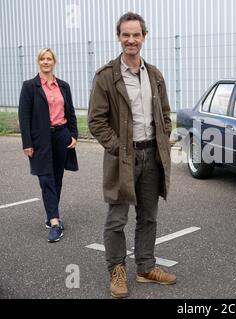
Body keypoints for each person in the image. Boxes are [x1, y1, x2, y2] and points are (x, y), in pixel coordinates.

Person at [88, 12, 174, 299]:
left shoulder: (155, 75)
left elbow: (164, 114)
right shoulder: (106, 77)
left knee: (148, 217)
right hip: (122, 160)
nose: (131, 40)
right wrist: (118, 148)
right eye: (126, 34)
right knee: (116, 220)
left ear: (144, 37)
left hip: (152, 156)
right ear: (119, 37)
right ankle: (117, 272)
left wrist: (163, 137)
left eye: (136, 35)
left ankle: (146, 267)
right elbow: (95, 121)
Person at [18, 48, 78, 243]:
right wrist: (27, 143)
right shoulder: (30, 86)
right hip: (40, 138)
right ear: (38, 62)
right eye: (42, 59)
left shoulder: (64, 86)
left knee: (57, 179)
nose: (46, 62)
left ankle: (52, 213)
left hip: (61, 135)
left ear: (54, 62)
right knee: (46, 179)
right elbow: (24, 116)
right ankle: (54, 222)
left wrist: (73, 135)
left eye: (49, 59)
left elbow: (71, 112)